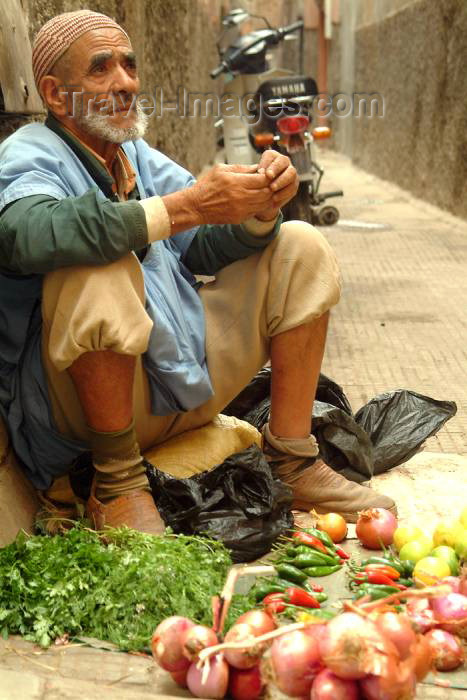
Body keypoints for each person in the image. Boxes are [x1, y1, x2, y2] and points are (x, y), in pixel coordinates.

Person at [0, 10, 395, 534]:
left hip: (178, 385)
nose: (125, 83)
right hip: (83, 421)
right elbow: (24, 233)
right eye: (101, 69)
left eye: (129, 65)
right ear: (54, 94)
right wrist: (186, 205)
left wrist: (257, 208)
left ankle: (292, 460)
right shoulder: (28, 154)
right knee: (95, 262)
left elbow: (201, 247)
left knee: (299, 244)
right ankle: (117, 487)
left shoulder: (133, 155)